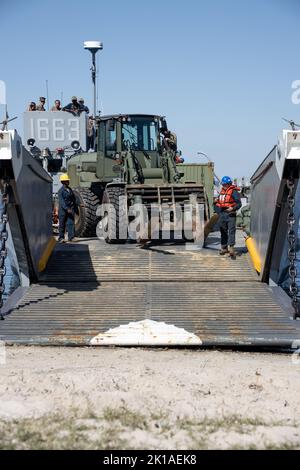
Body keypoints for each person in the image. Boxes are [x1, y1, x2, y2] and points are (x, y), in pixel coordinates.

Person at [214, 176, 242, 259]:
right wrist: (216, 202)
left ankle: (231, 249)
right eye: (224, 184)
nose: (225, 186)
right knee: (223, 231)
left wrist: (232, 208)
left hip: (230, 214)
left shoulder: (234, 192)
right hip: (222, 214)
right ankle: (224, 248)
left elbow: (239, 204)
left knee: (231, 231)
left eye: (226, 184)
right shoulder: (222, 192)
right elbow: (219, 202)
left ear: (229, 184)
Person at [57, 174, 78, 243]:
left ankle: (71, 237)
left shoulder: (70, 189)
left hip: (70, 209)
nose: (68, 182)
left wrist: (78, 204)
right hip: (63, 210)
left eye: (68, 180)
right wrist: (67, 209)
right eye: (66, 181)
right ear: (63, 182)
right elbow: (62, 201)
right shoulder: (60, 191)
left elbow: (73, 199)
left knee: (71, 223)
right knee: (62, 224)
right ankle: (61, 238)